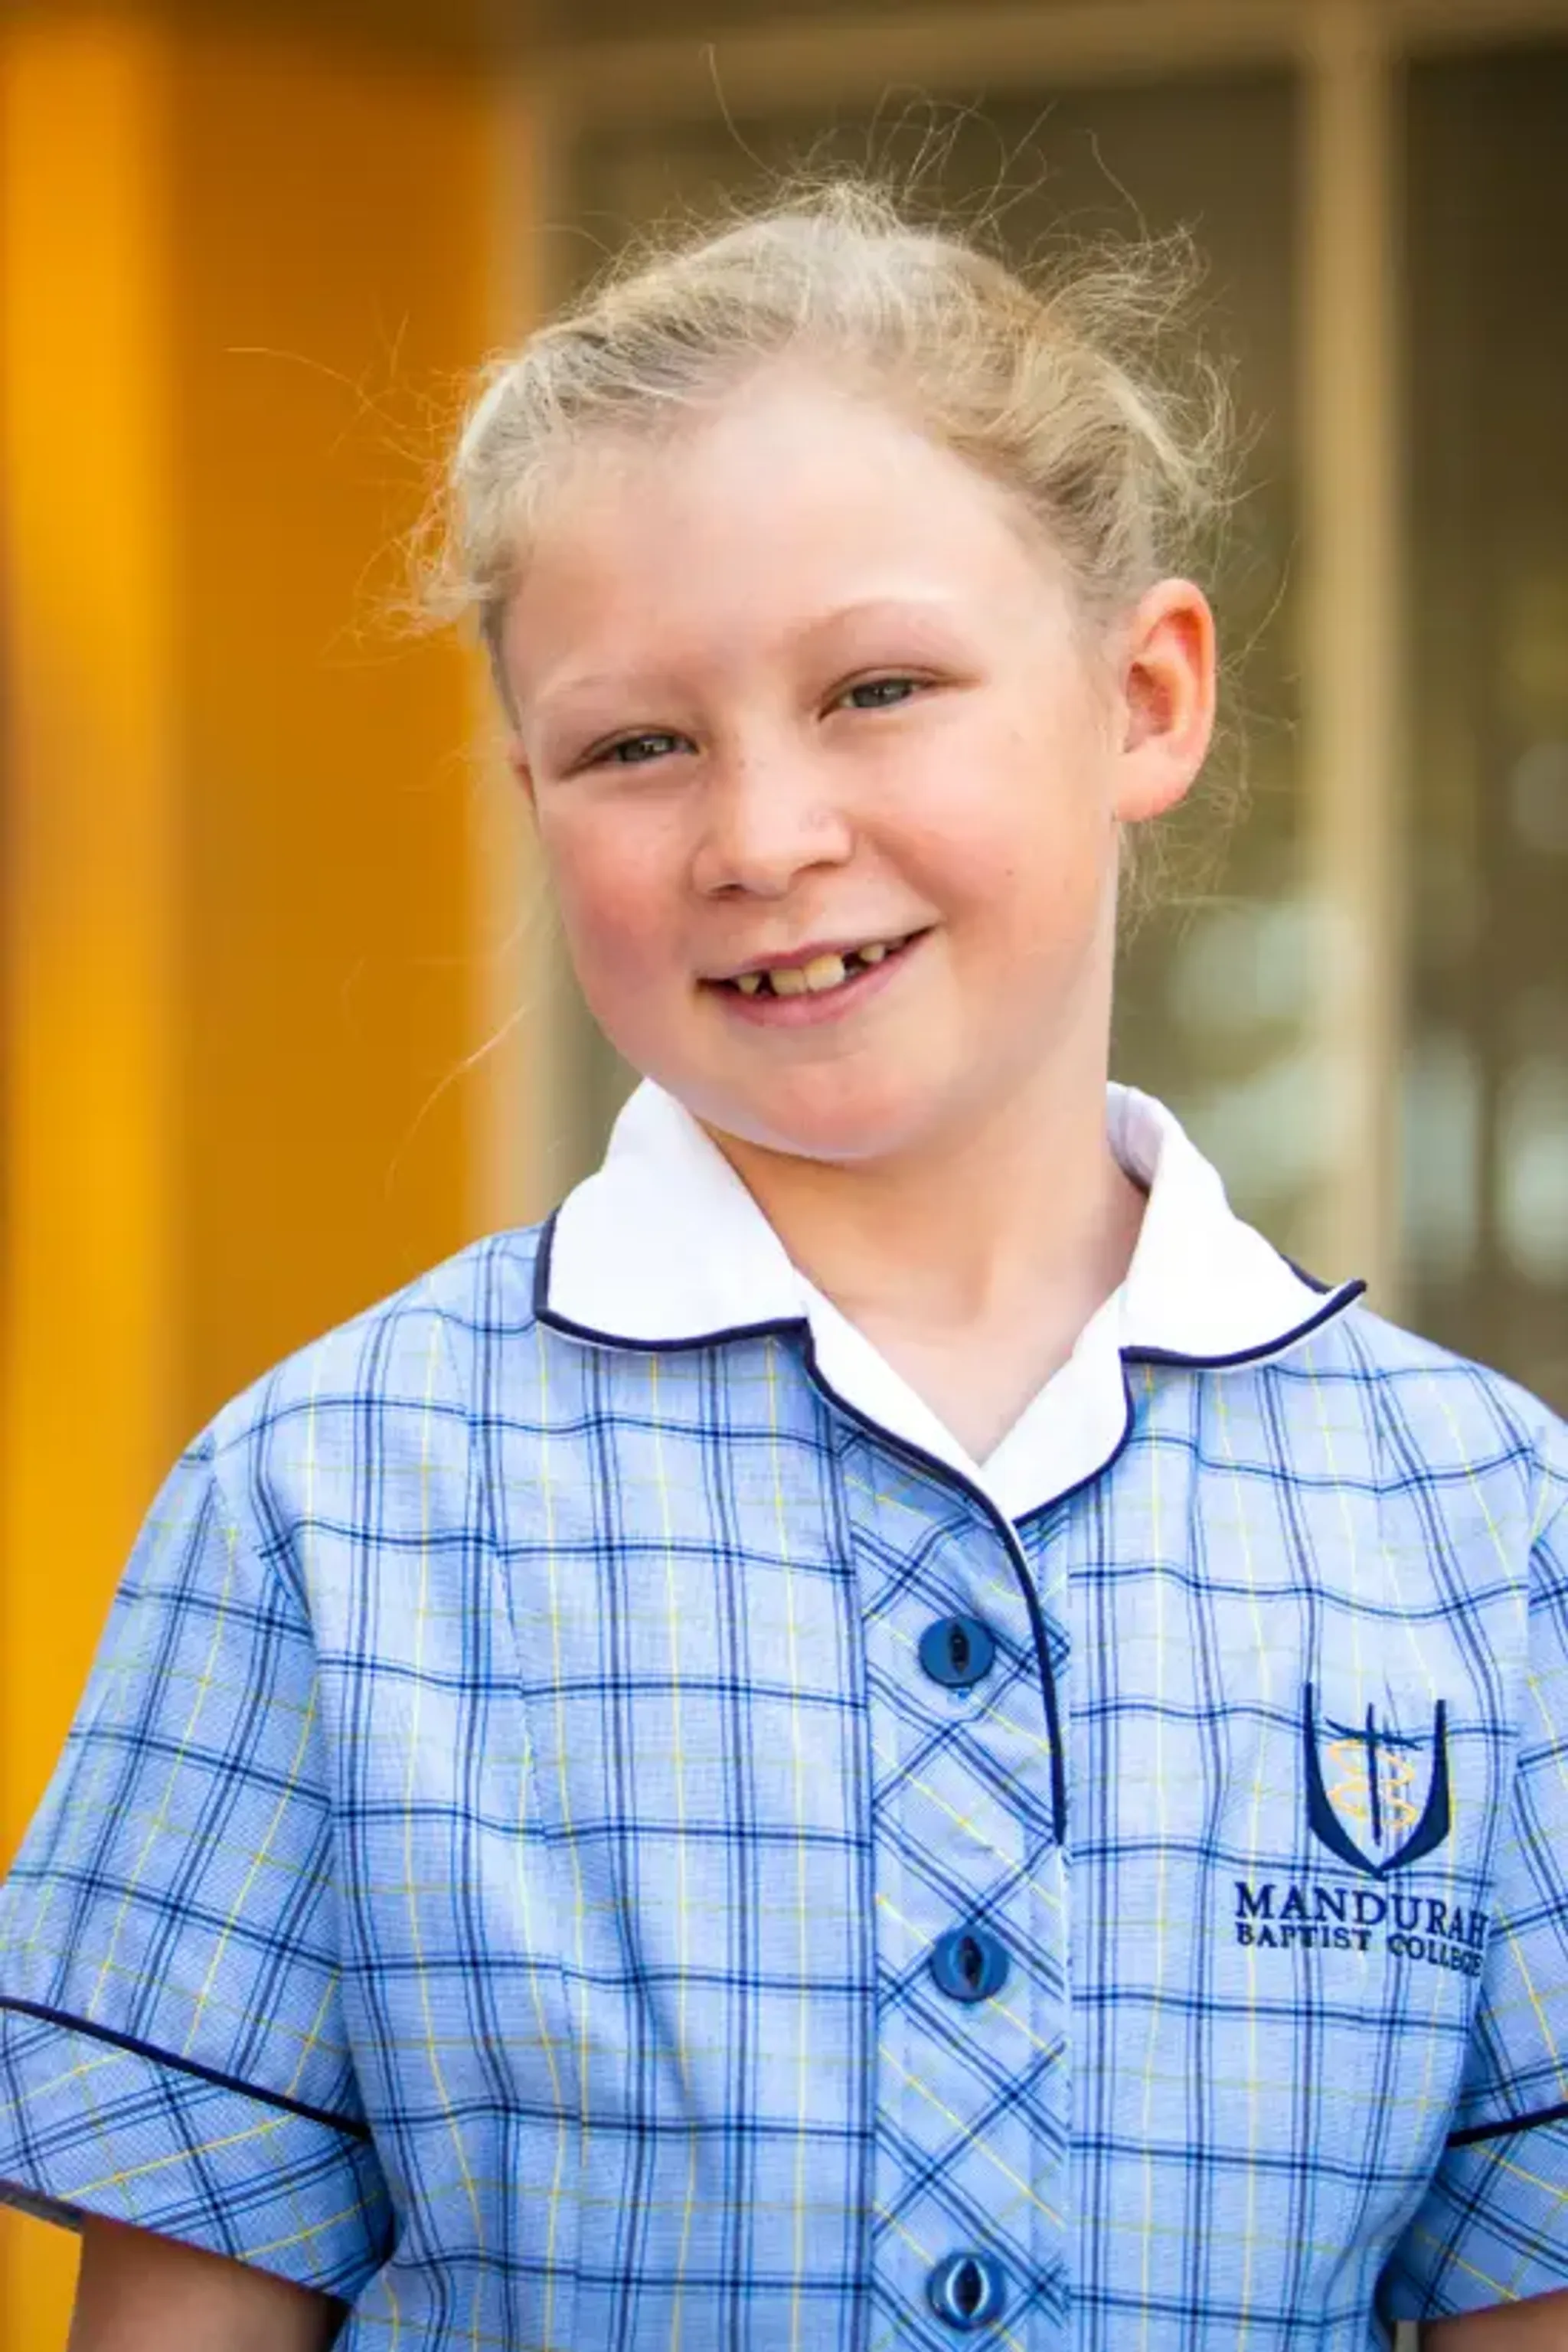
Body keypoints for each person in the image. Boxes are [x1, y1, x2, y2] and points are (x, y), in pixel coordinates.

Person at [2, 178, 1564, 2352]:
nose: (758, 836)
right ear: (530, 786)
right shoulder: (320, 1510)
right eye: (636, 744)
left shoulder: (1492, 1542)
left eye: (879, 687)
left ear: (1148, 695)